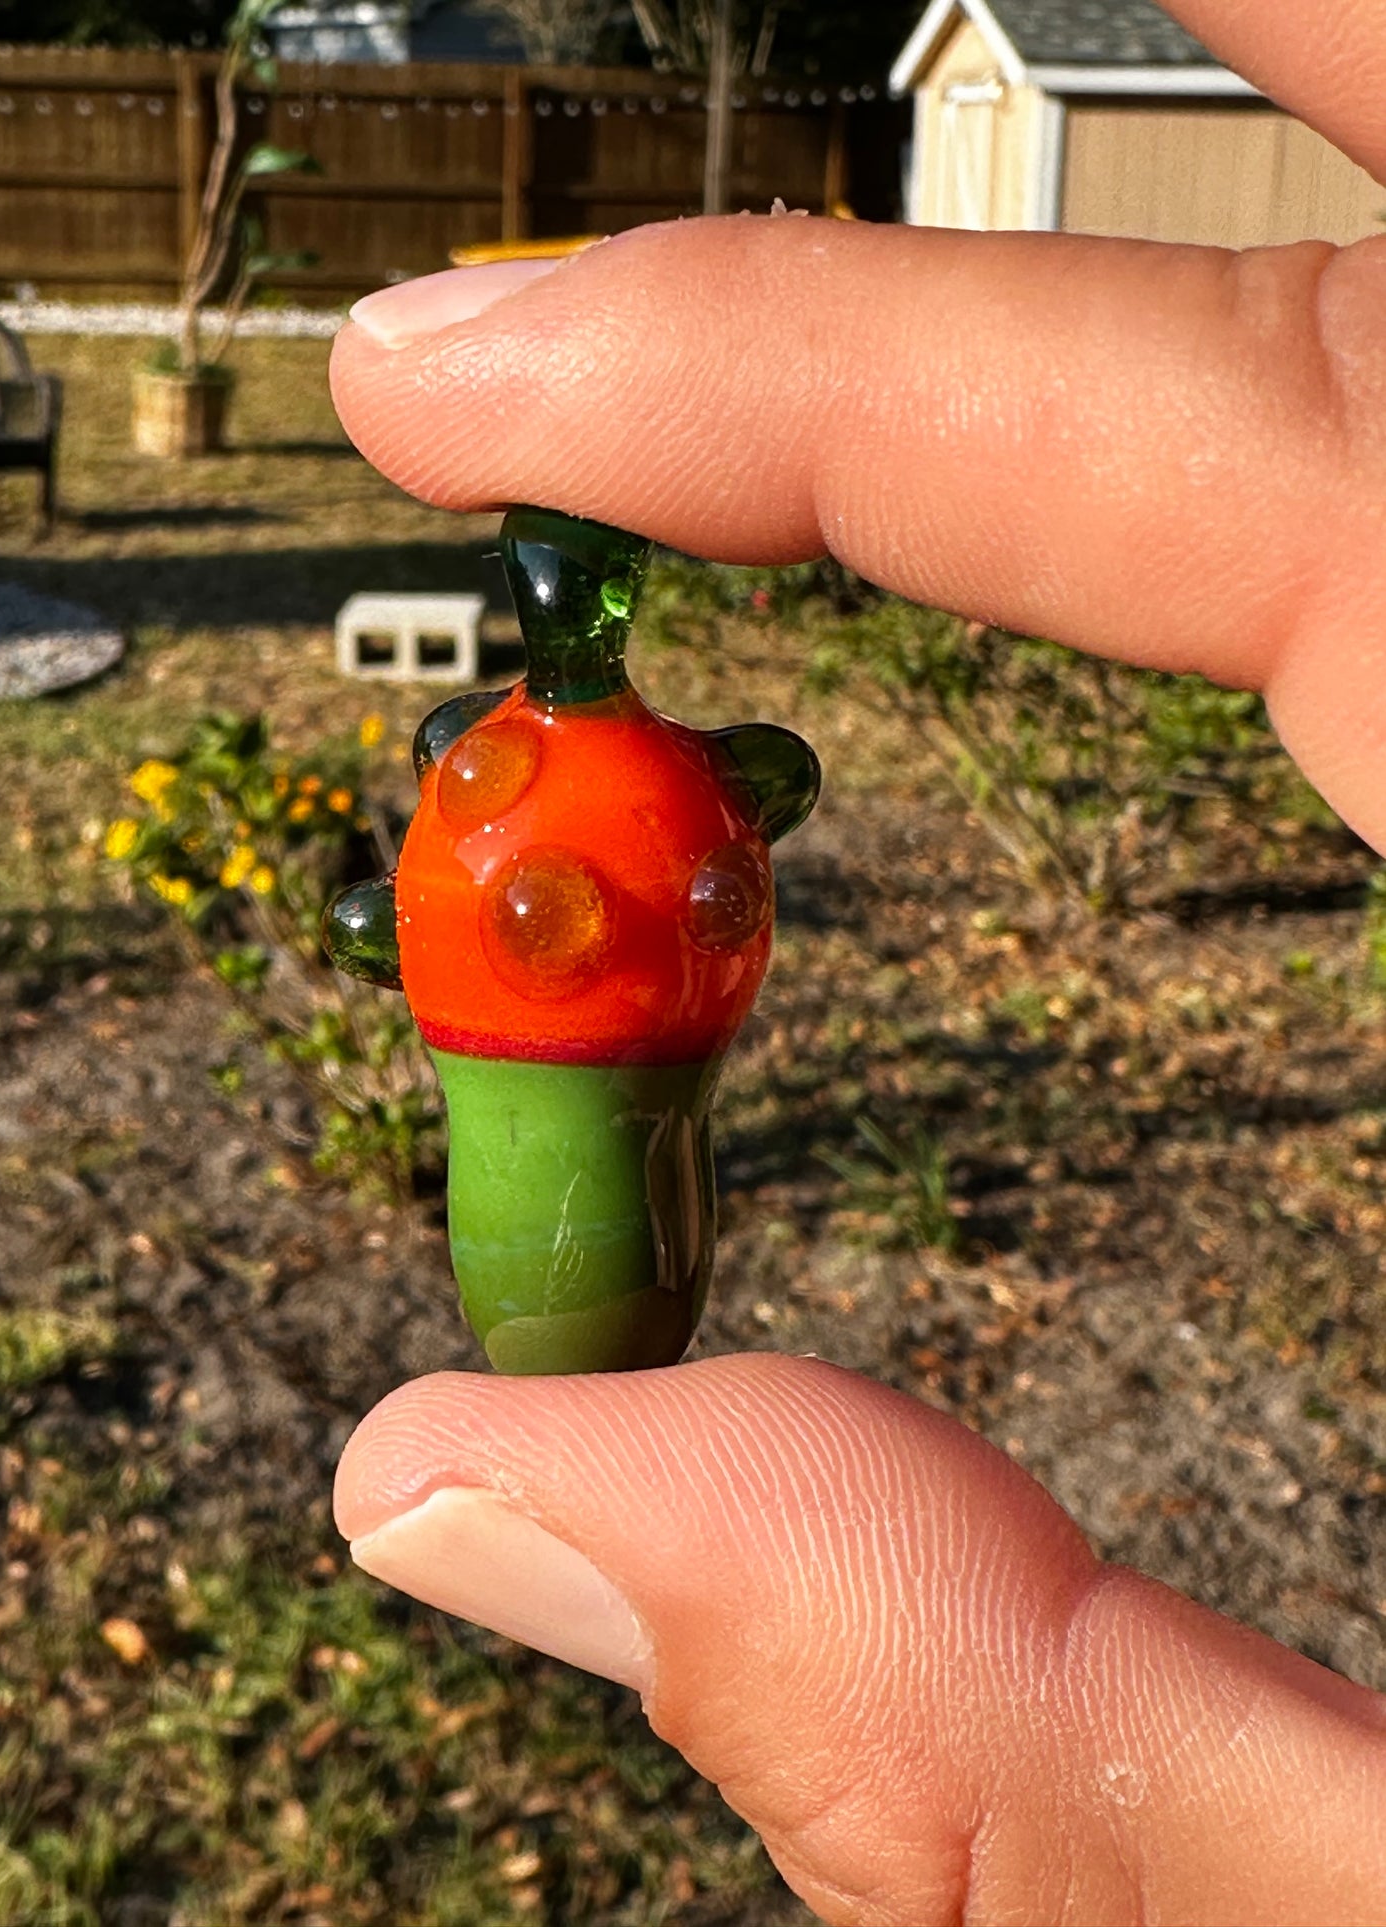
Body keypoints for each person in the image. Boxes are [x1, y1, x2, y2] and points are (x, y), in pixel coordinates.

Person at [328, 3, 1386, 1918]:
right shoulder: (555, 785)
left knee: (598, 1229)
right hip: (548, 1015)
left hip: (604, 1009)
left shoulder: (616, 789)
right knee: (587, 1222)